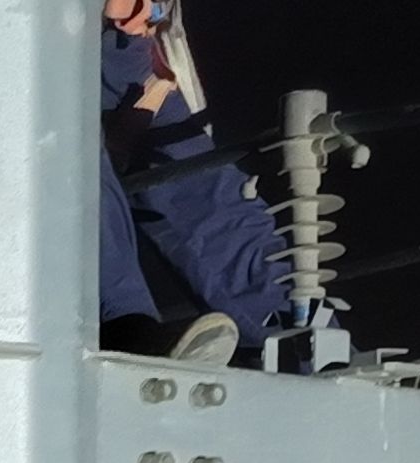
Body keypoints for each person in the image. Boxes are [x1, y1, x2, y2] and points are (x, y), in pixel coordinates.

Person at [97, 0, 290, 362]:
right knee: (68, 154)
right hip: (25, 54)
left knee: (206, 192)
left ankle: (305, 345)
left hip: (127, 52)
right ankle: (128, 330)